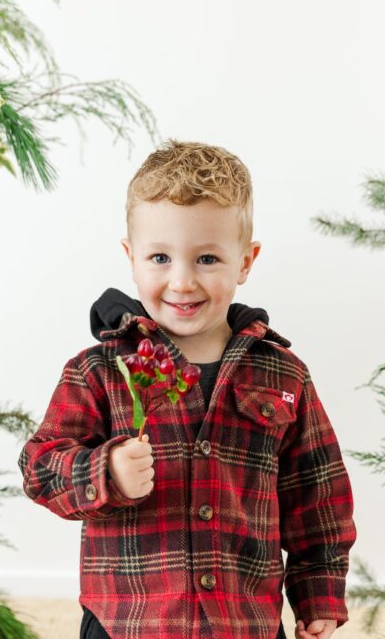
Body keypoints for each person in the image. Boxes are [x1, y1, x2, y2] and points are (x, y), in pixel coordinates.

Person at [18, 141, 356, 639]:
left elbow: (318, 496)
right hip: (128, 626)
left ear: (245, 261)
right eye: (160, 257)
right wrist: (102, 470)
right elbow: (39, 469)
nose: (182, 281)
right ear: (131, 259)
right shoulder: (99, 371)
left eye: (207, 259)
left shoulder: (285, 377)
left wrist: (318, 594)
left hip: (245, 624)